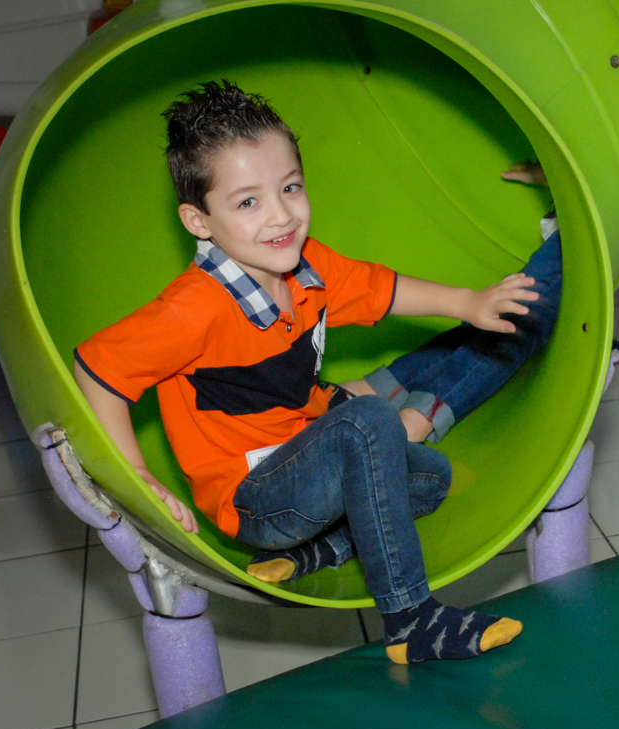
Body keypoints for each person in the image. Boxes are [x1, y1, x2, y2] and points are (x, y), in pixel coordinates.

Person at [73, 80, 561, 664]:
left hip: (306, 460)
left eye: (290, 188)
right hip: (256, 499)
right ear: (199, 220)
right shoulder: (194, 308)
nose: (280, 215)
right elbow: (98, 367)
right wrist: (138, 477)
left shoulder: (308, 267)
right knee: (367, 421)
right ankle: (411, 621)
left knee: (430, 477)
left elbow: (382, 289)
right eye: (247, 202)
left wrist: (469, 303)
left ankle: (320, 551)